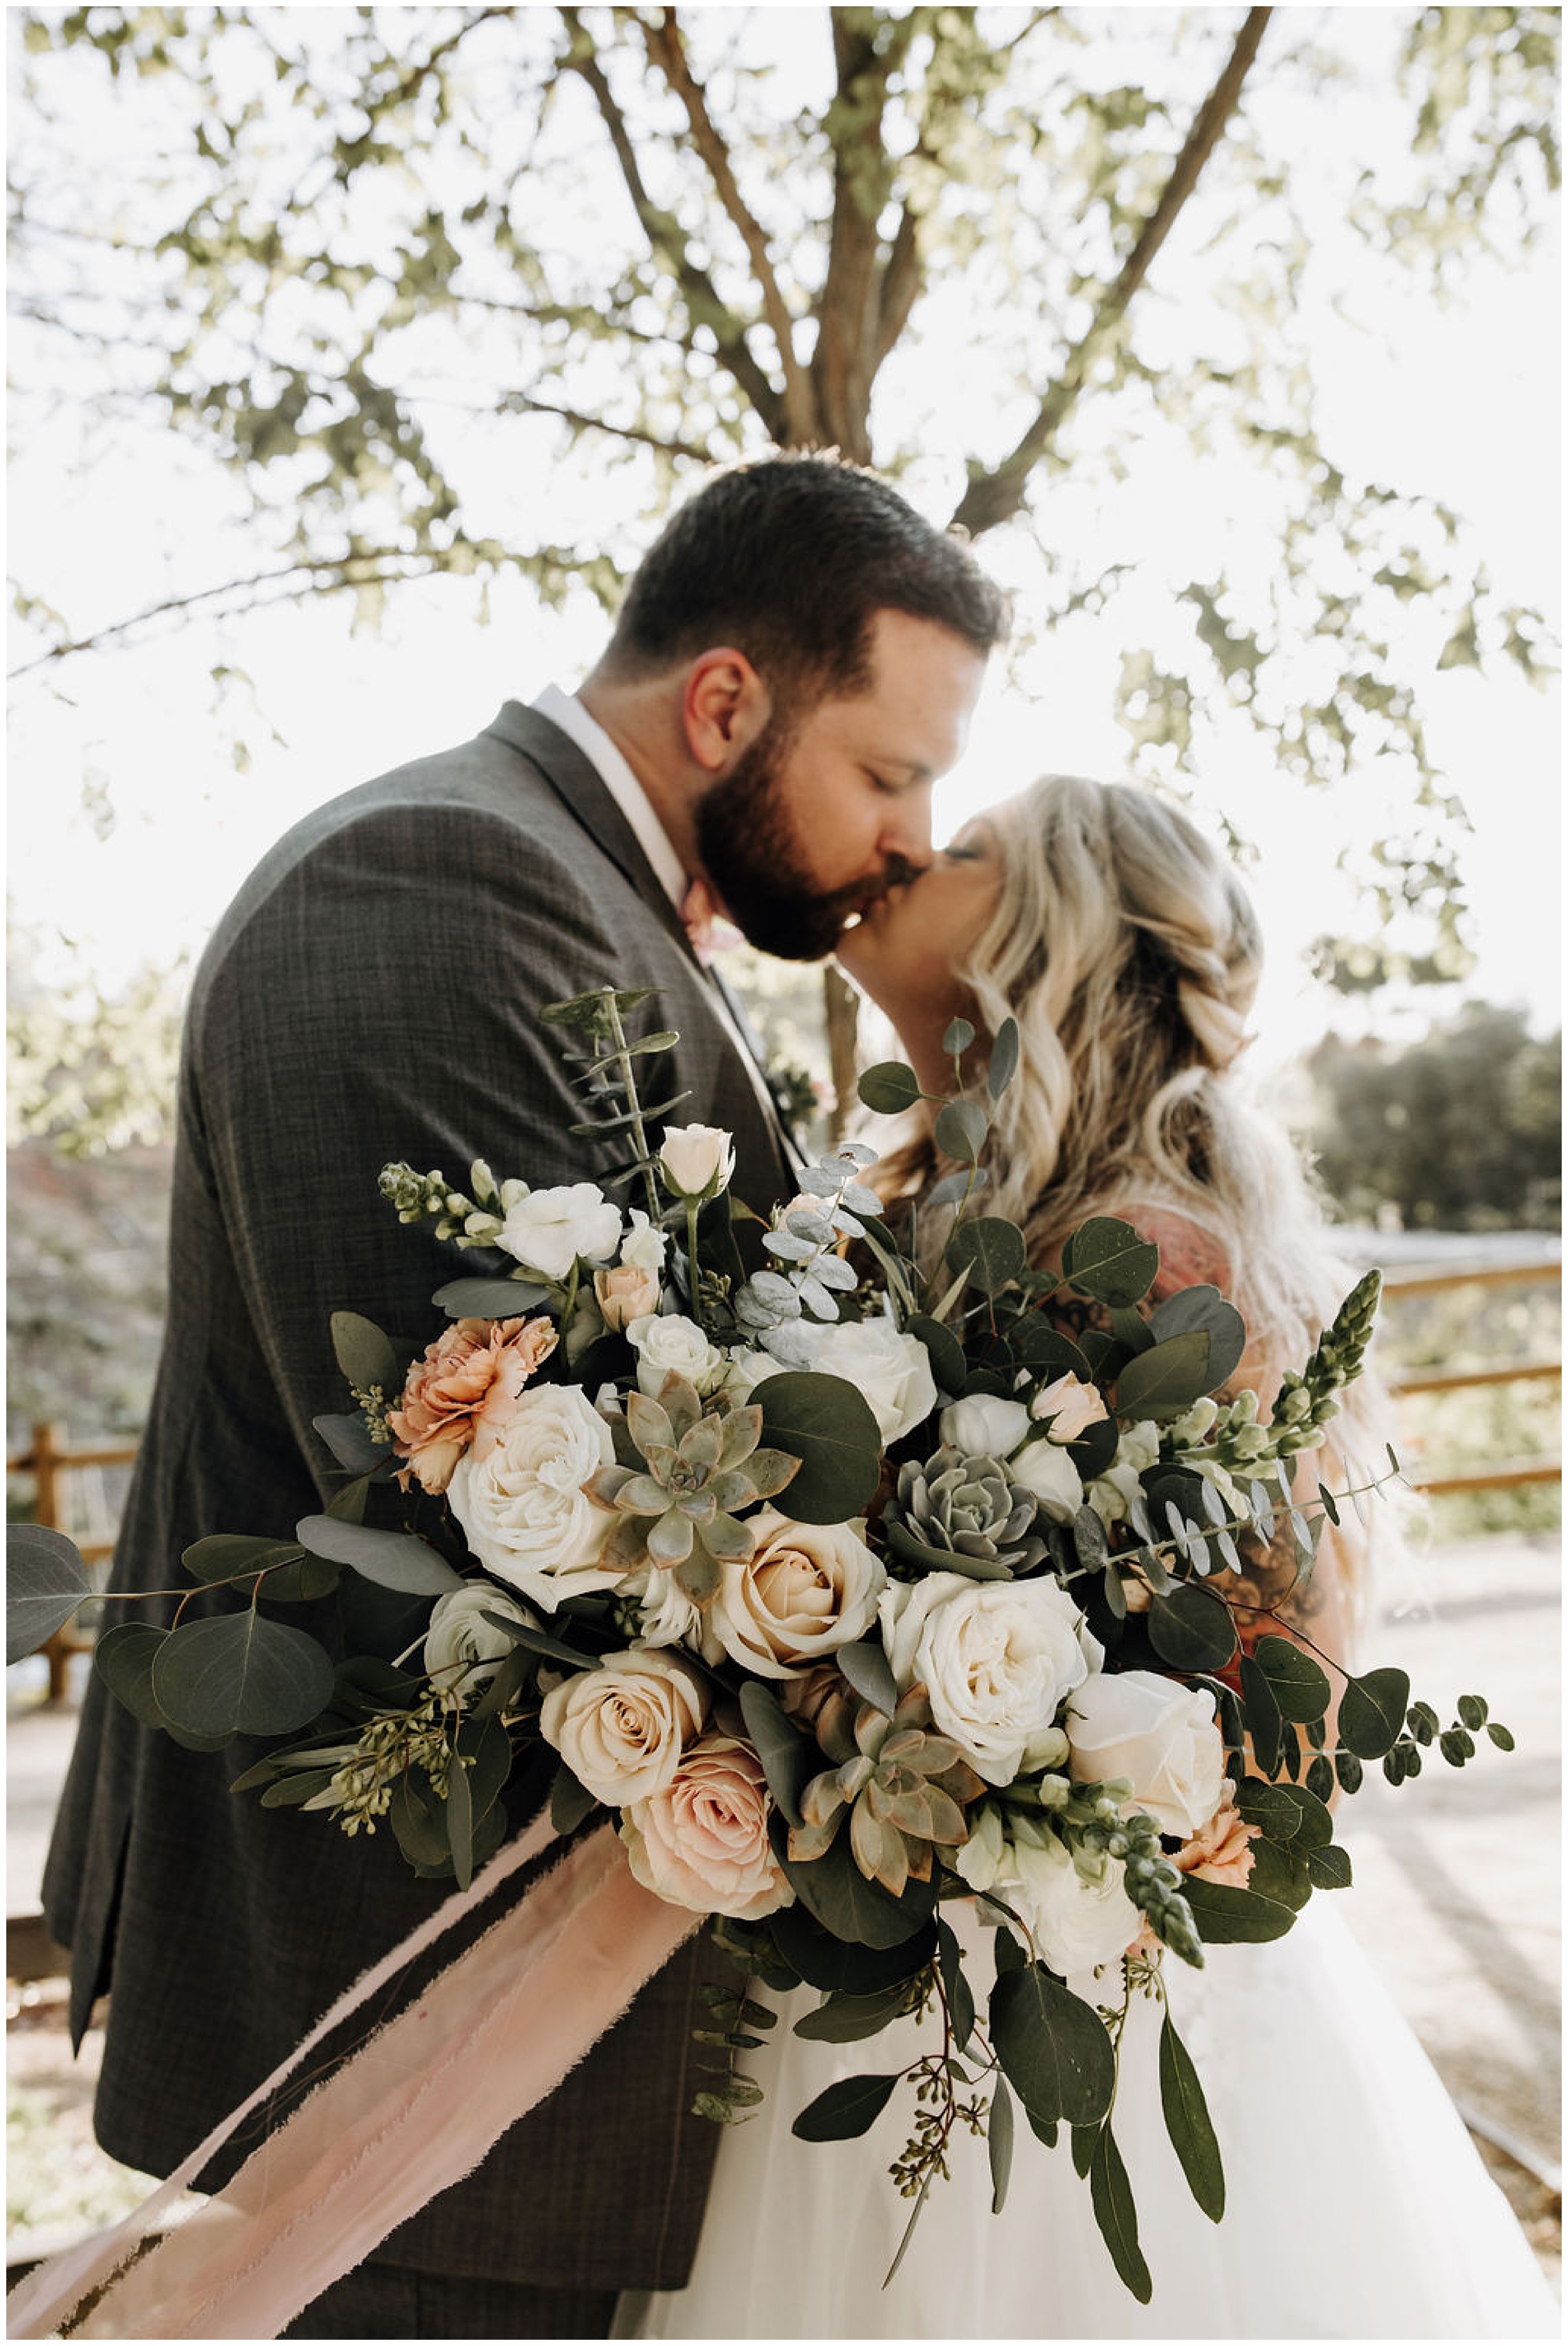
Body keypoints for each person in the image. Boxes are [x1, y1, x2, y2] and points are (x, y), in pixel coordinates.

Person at [39, 454, 1005, 2341]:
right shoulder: (431, 890)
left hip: (524, 2029)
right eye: (887, 773)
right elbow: (522, 1501)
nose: (907, 836)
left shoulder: (574, 899)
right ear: (726, 701)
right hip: (402, 2008)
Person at [622, 773, 1558, 2339]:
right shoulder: (915, 1214)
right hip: (879, 1986)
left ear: (1043, 937)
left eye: (967, 844)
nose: (915, 847)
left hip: (1075, 2029)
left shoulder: (1152, 1258)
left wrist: (964, 1765)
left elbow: (1285, 1746)